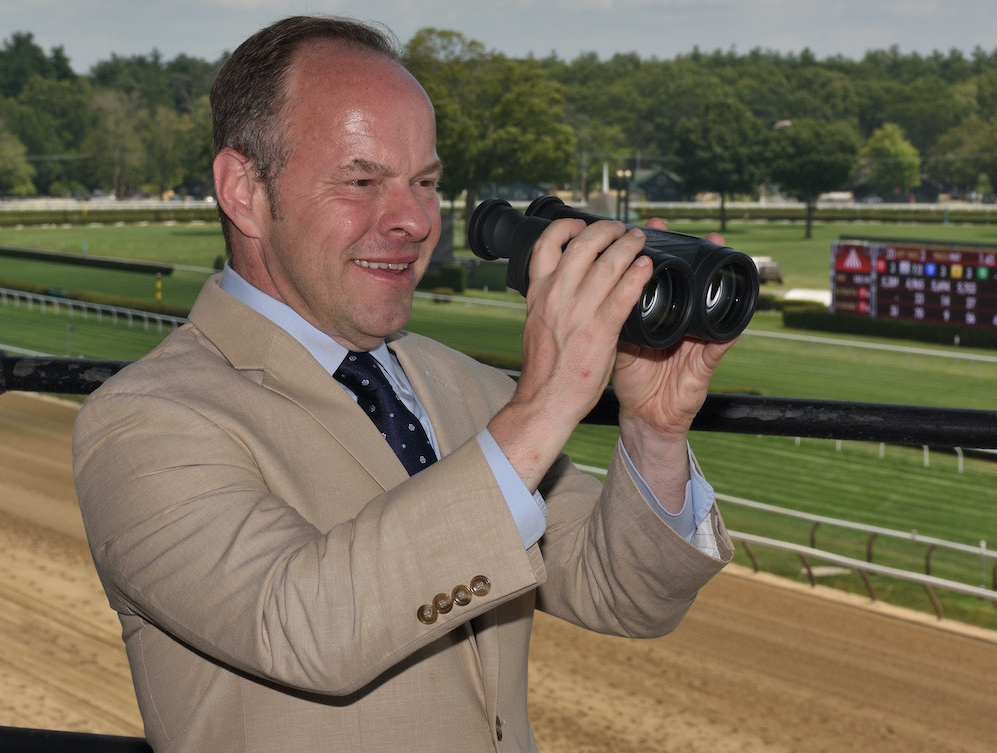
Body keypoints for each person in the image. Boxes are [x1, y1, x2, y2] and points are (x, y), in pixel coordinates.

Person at [72, 15, 735, 753]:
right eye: (362, 181)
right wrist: (542, 409)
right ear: (244, 189)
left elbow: (624, 594)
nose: (415, 221)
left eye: (425, 182)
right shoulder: (145, 421)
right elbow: (305, 629)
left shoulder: (464, 387)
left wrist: (653, 431)